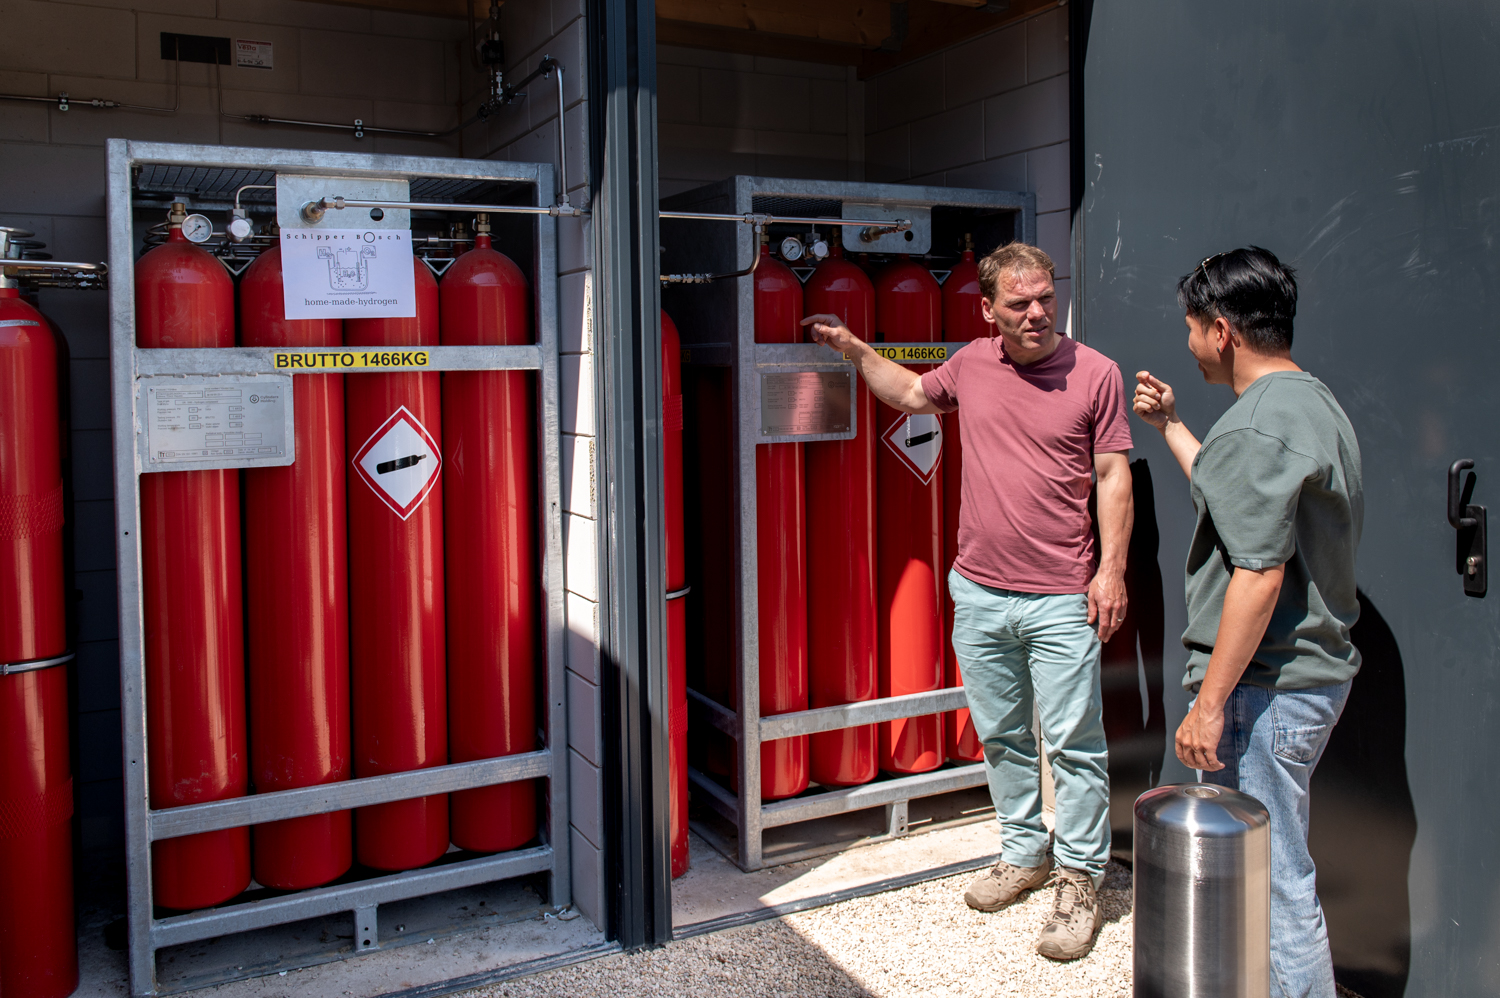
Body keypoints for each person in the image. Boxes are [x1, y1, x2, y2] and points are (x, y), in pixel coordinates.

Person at [804, 242, 1133, 961]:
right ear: (989, 311)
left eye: (1045, 298)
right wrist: (856, 348)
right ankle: (1024, 853)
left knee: (1074, 745)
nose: (1038, 312)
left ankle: (1080, 882)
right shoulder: (974, 364)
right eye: (1020, 304)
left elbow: (1113, 477)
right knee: (1005, 734)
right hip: (979, 589)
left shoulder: (1096, 373)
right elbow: (912, 394)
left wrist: (1112, 571)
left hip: (1059, 597)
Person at [1133, 246, 1362, 998]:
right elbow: (1235, 502)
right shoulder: (1310, 404)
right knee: (1273, 872)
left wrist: (1207, 704)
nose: (1191, 343)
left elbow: (1258, 575)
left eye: (1194, 328)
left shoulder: (1256, 427)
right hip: (1305, 684)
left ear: (1222, 331)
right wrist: (1171, 425)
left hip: (1264, 690)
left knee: (1274, 883)